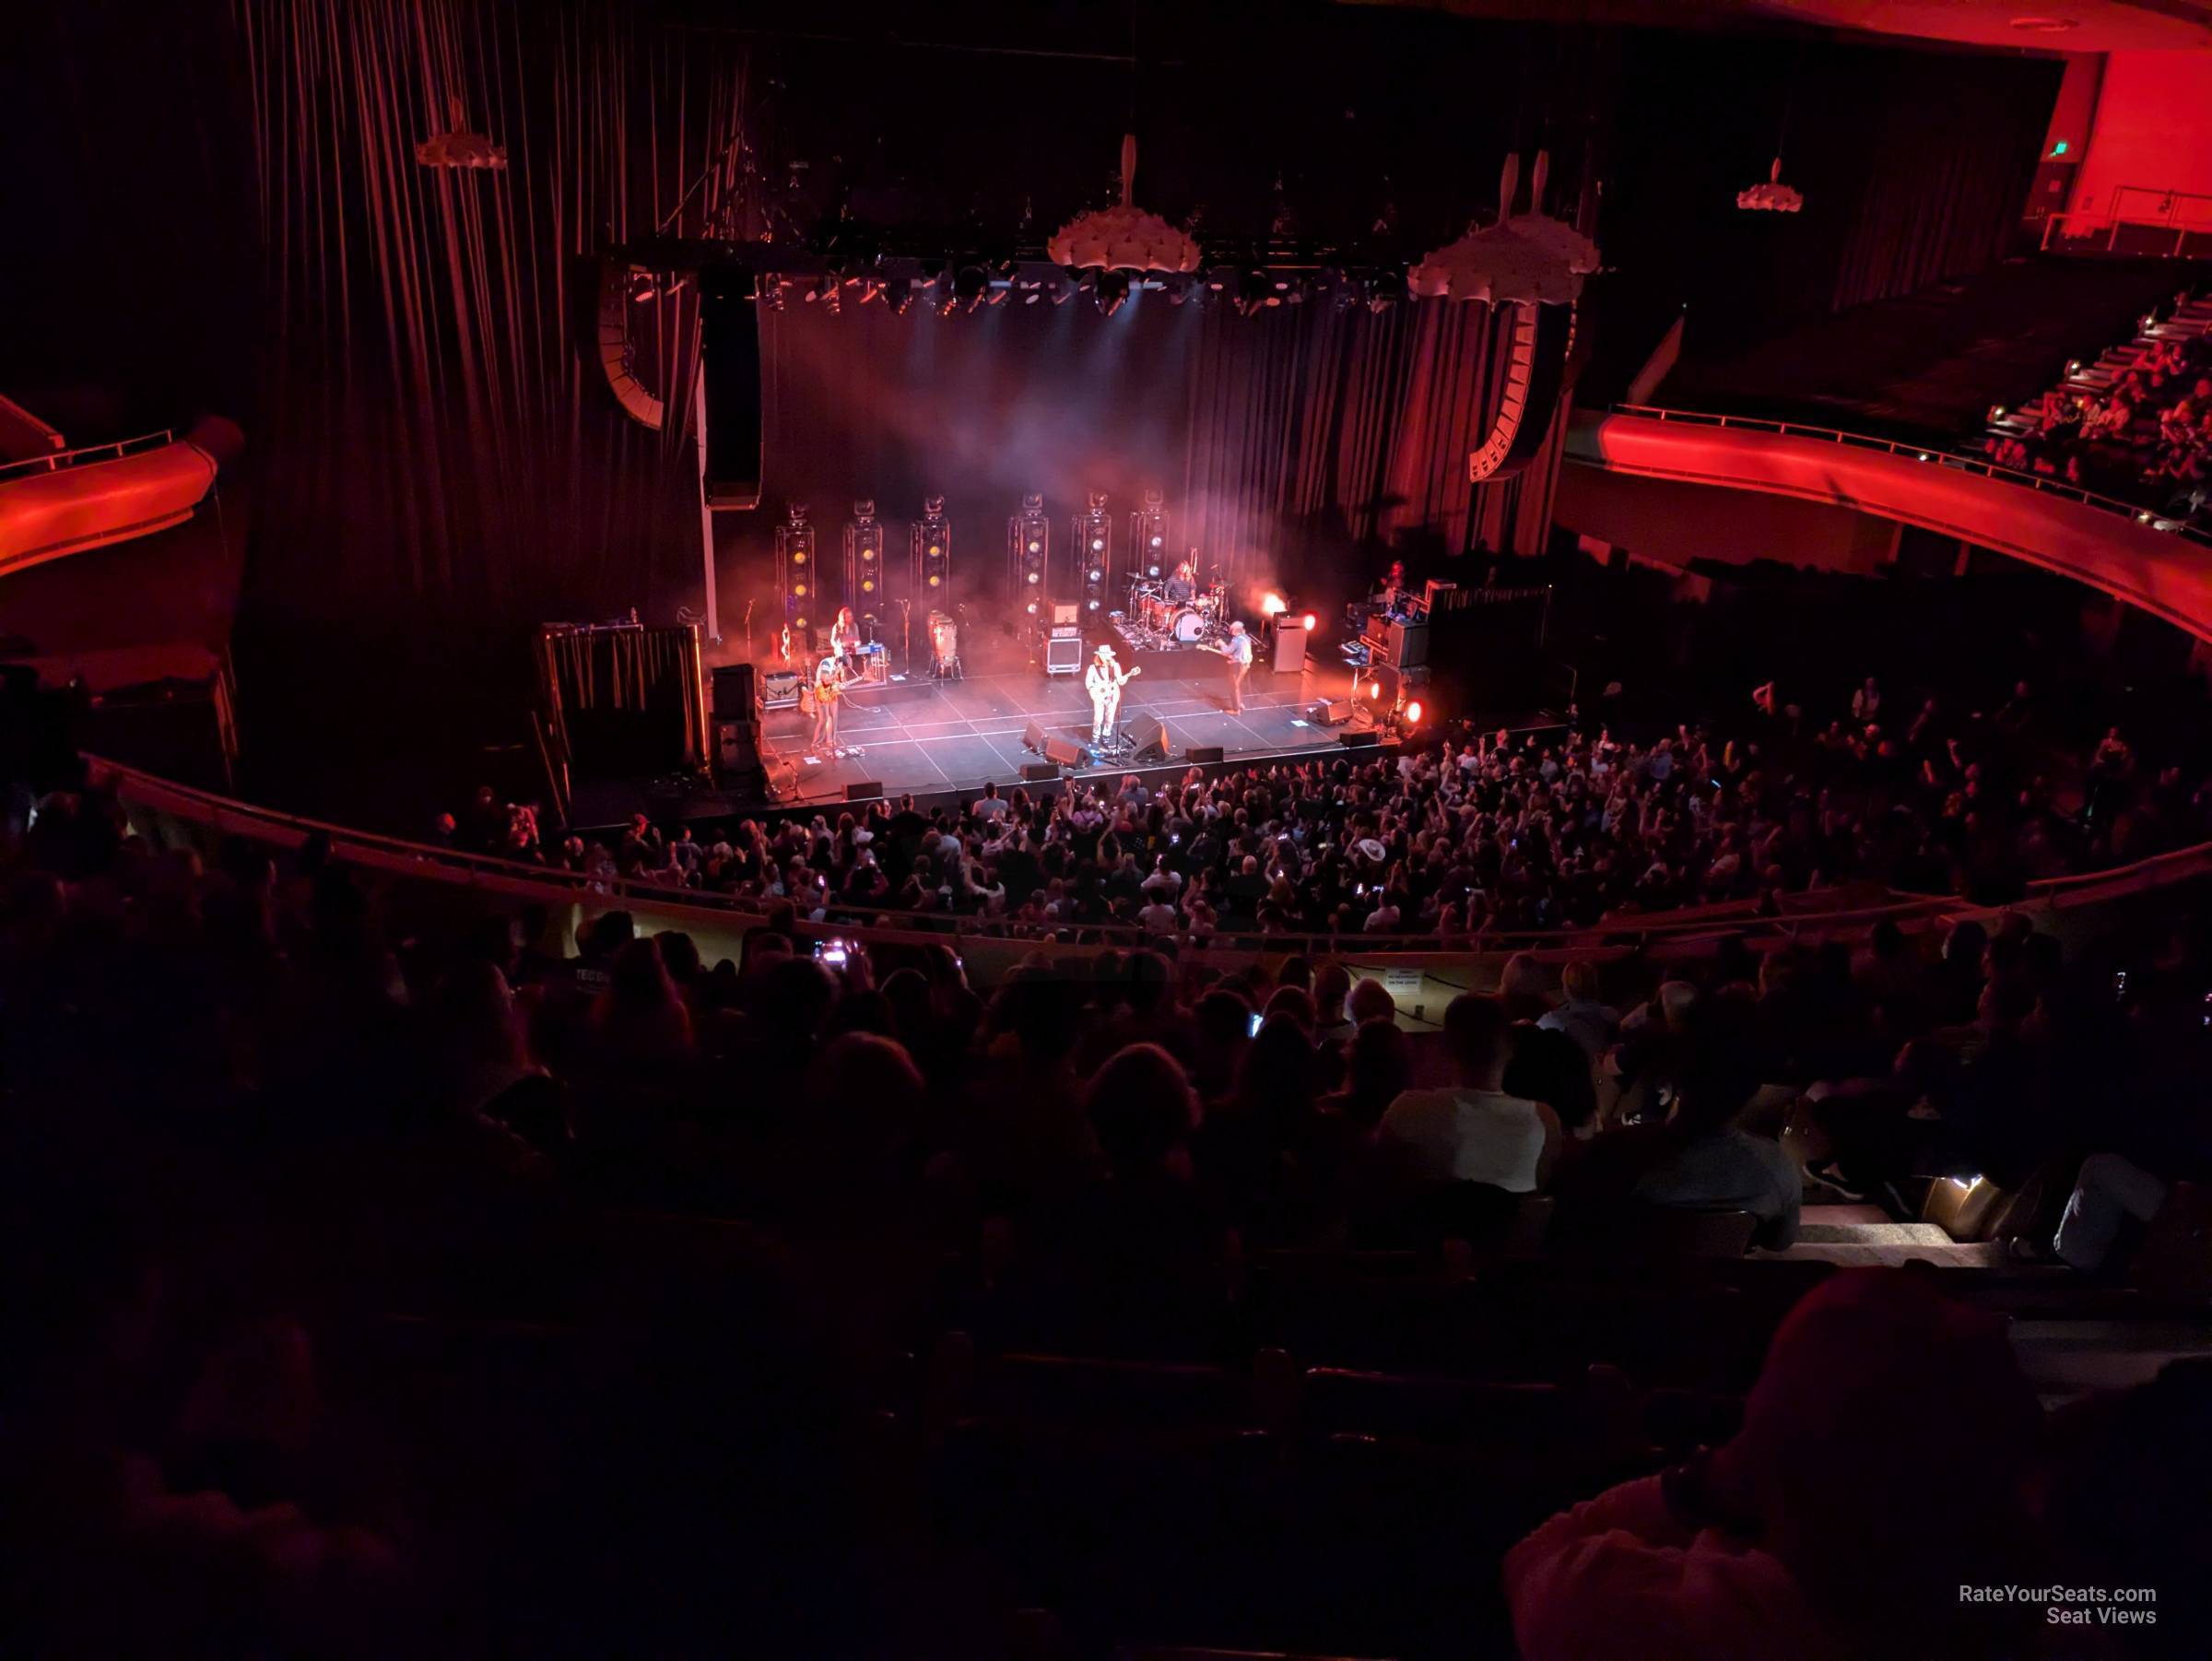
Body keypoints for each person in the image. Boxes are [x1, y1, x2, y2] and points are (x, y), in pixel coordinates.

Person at [1504, 1268, 2045, 1661]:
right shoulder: (2061, 1631)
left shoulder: (1640, 1618)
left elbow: (1531, 1559)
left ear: (1763, 1446)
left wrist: (1703, 1481)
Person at [1374, 993, 1559, 1192]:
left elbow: (1381, 1188)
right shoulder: (1544, 1121)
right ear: (1510, 1049)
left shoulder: (1407, 1111)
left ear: (1444, 1046)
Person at [1084, 644, 1136, 746]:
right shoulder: (1093, 668)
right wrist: (1093, 692)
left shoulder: (1114, 666)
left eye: (1107, 655)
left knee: (1110, 718)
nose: (1106, 657)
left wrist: (1129, 675)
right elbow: (1088, 683)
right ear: (1099, 656)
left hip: (1112, 695)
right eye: (1104, 655)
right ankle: (1095, 736)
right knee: (1098, 718)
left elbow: (1120, 681)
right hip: (1099, 696)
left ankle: (1106, 735)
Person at [1210, 619, 1253, 714]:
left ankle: (1236, 710)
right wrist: (1234, 658)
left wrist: (1221, 643)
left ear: (1235, 630)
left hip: (1238, 666)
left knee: (1233, 686)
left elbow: (1226, 652)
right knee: (1237, 685)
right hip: (1245, 665)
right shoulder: (1246, 638)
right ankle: (1239, 703)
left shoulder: (1237, 640)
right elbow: (1241, 653)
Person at [810, 654, 846, 756]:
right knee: (824, 719)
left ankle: (831, 741)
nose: (843, 669)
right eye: (843, 666)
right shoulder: (827, 663)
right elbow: (825, 680)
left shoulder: (839, 668)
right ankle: (816, 743)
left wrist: (842, 685)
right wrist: (836, 672)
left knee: (834, 717)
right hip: (822, 693)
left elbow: (839, 681)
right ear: (840, 662)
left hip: (832, 693)